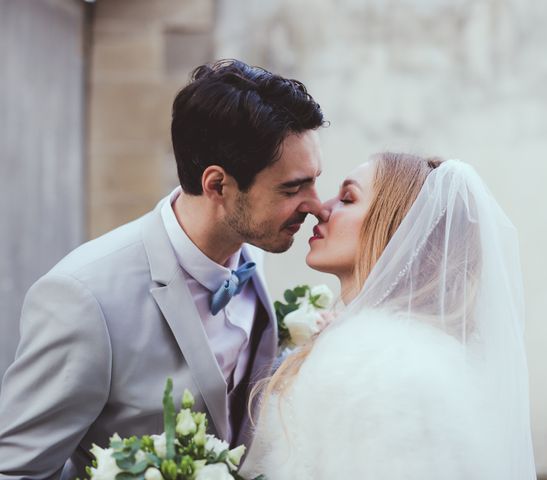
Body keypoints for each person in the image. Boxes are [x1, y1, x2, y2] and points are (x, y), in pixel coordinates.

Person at [0, 59, 327, 479]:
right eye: (292, 188)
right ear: (218, 186)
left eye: (313, 180)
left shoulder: (252, 248)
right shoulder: (84, 297)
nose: (317, 205)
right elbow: (15, 471)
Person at [241, 153, 537, 479]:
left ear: (396, 230)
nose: (321, 208)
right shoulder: (408, 349)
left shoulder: (377, 362)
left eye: (348, 198)